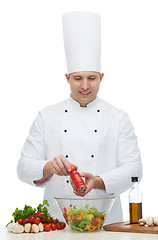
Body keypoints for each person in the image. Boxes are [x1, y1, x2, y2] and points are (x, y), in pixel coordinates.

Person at [17, 11, 143, 224]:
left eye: (92, 78)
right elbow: (22, 167)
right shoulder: (47, 116)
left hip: (106, 223)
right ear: (67, 78)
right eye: (78, 78)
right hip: (56, 223)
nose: (85, 86)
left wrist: (98, 181)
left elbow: (134, 169)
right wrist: (47, 168)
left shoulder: (118, 118)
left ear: (101, 77)